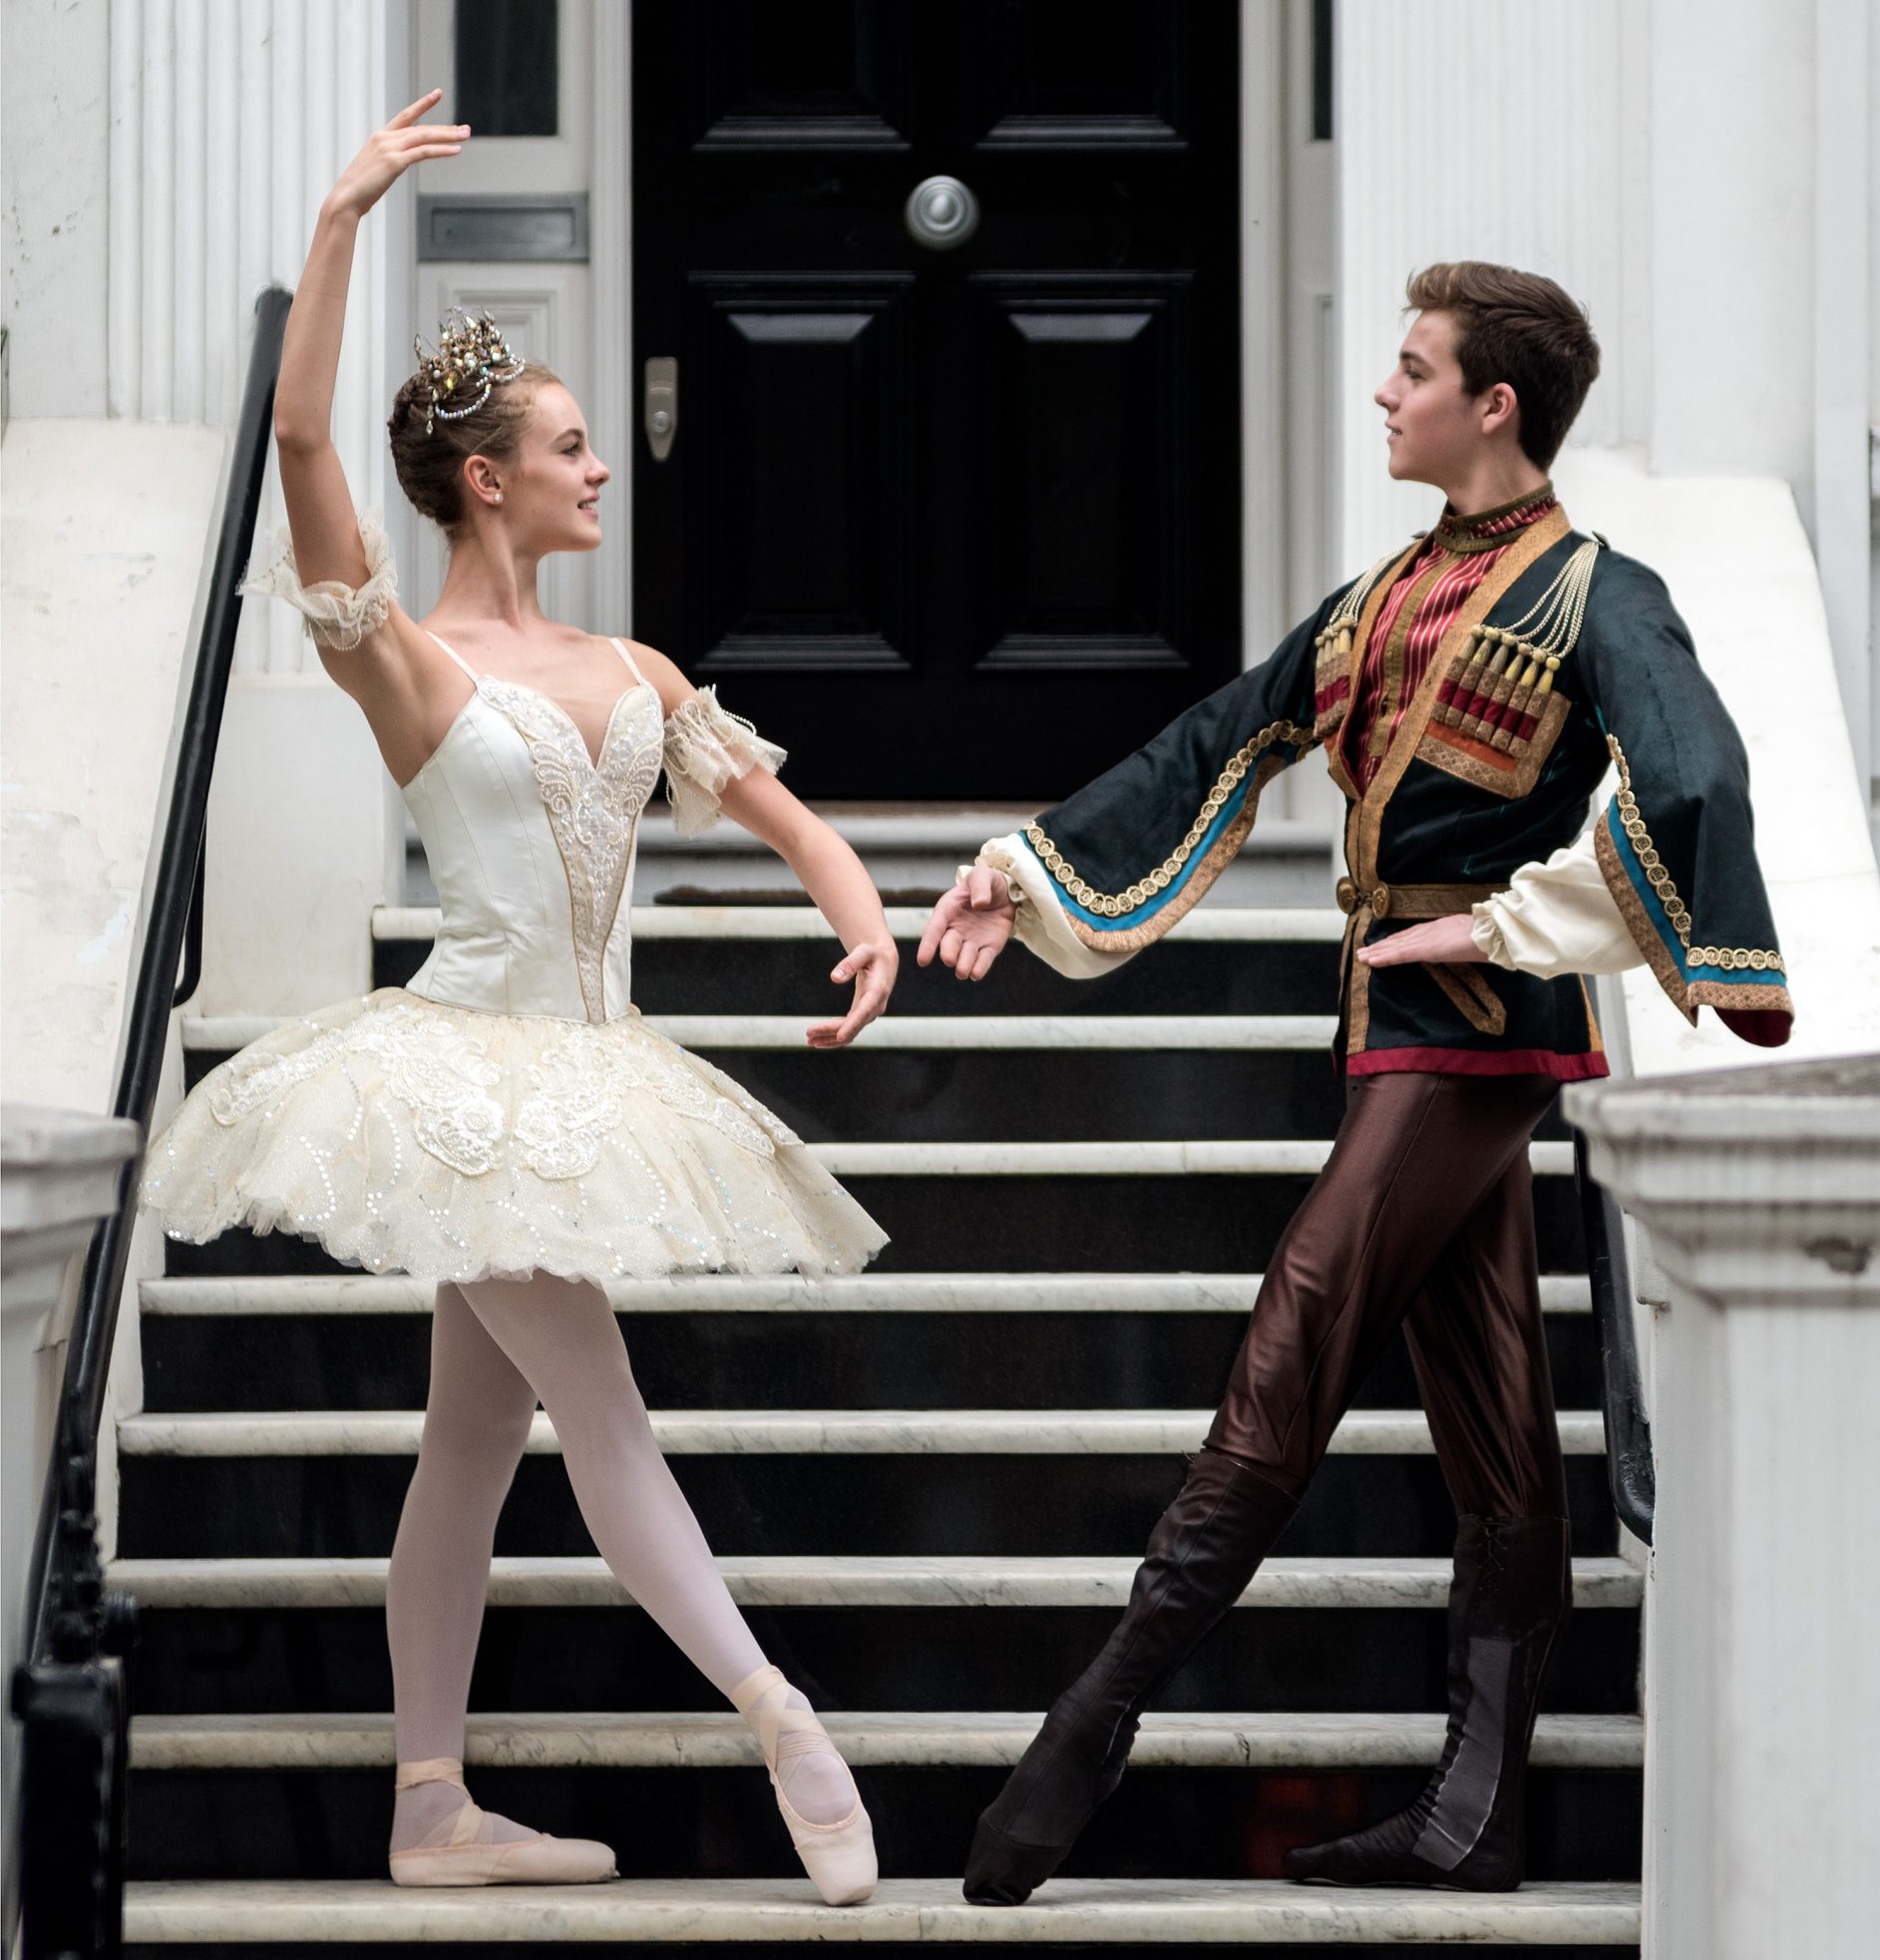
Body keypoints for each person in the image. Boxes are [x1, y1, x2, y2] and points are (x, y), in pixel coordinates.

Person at [922, 260, 1792, 1903]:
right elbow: (1221, 739)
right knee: (1500, 1437)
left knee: (1300, 1324)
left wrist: (1518, 913)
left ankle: (1088, 1726)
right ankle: (1476, 1809)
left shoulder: (1602, 591)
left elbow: (1693, 777)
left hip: (1478, 1029)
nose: (1384, 394)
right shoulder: (1386, 595)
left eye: (1412, 370)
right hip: (1391, 1029)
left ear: (1494, 406)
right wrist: (1020, 869)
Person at [140, 94, 890, 1905]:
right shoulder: (405, 658)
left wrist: (857, 915)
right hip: (465, 1073)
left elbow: (784, 813)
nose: (598, 462)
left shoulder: (628, 665)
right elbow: (304, 431)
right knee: (603, 1408)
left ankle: (427, 1806)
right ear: (491, 477)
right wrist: (339, 217)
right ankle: (780, 1709)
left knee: (473, 1438)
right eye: (569, 443)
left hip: (592, 1060)